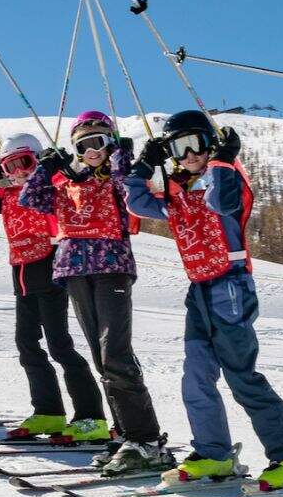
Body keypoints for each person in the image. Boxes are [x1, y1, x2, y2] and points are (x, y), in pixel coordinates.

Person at [126, 111, 283, 490]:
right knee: (196, 376)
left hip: (230, 287)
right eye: (179, 148)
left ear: (210, 143)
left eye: (196, 143)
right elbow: (136, 203)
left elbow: (222, 202)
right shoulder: (177, 196)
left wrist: (224, 159)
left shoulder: (227, 179)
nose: (189, 154)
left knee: (242, 377)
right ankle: (213, 454)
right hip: (198, 290)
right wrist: (143, 166)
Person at [19, 111, 174, 475]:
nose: (92, 151)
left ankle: (146, 440)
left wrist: (121, 154)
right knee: (101, 359)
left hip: (111, 267)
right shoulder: (67, 185)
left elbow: (127, 189)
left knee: (115, 353)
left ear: (110, 143)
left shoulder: (116, 180)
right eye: (83, 145)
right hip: (75, 271)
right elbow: (30, 198)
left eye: (99, 142)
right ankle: (124, 434)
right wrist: (47, 167)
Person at [0, 133, 109, 442]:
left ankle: (91, 416)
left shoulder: (51, 190)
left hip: (50, 270)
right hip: (22, 276)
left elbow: (69, 181)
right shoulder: (6, 198)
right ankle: (48, 411)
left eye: (25, 163)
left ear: (37, 160)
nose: (19, 172)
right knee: (27, 344)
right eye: (10, 167)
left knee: (60, 346)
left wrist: (51, 165)